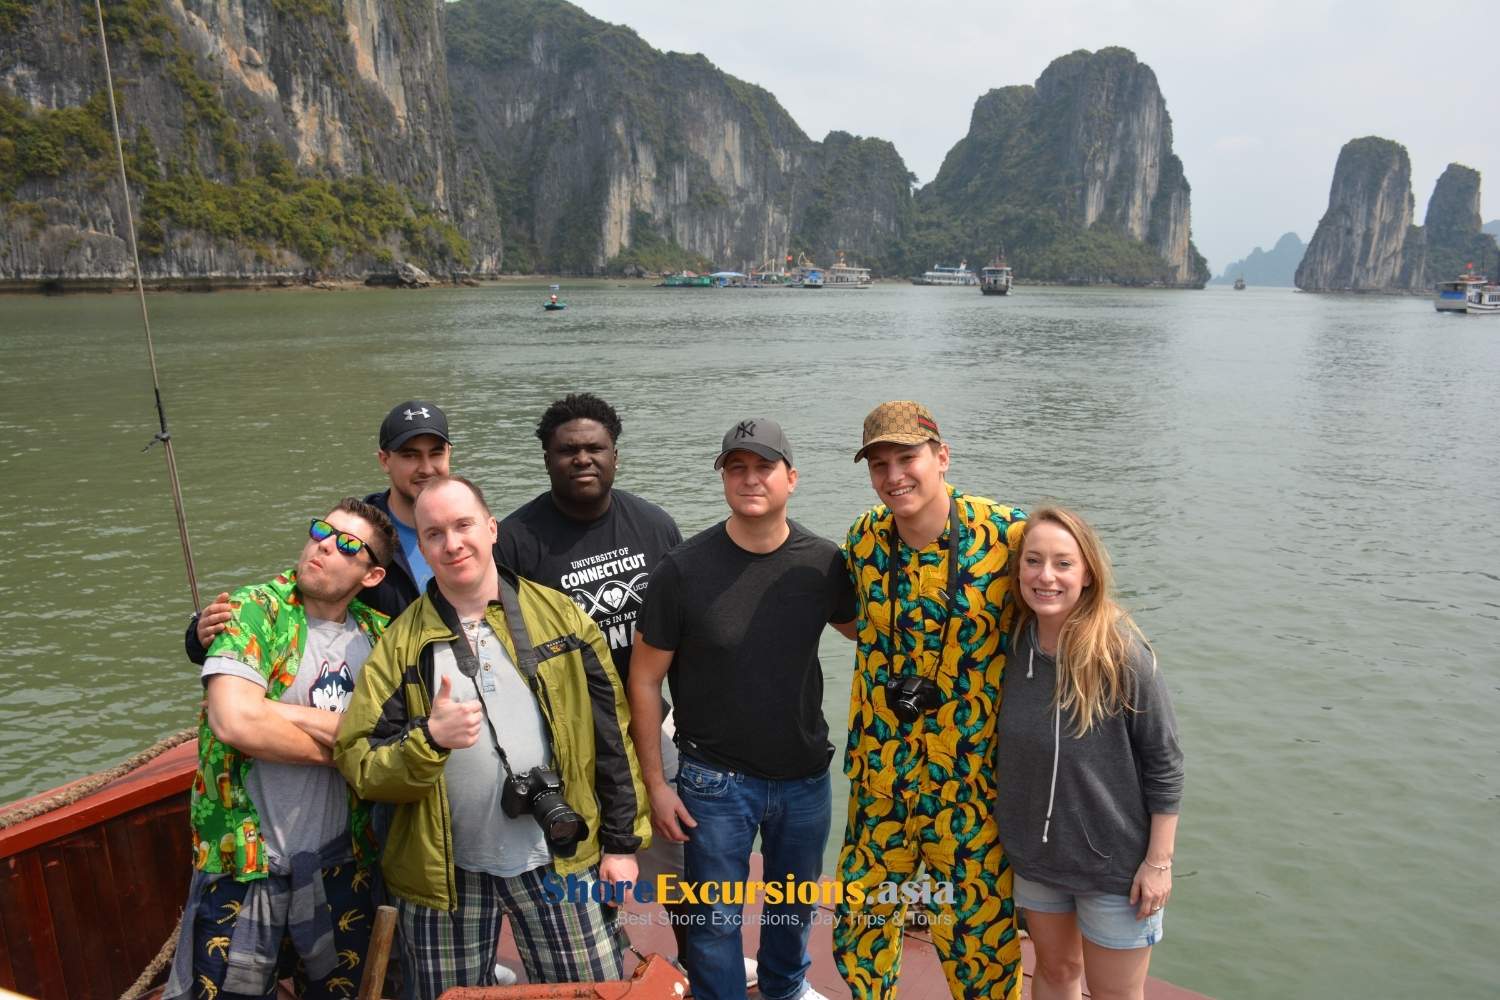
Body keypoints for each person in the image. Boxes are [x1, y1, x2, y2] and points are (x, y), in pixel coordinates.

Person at [335, 475, 650, 999]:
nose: (453, 543)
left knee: (592, 992)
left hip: (559, 853)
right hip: (443, 876)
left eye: (464, 525)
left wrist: (621, 845)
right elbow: (360, 762)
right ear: (422, 549)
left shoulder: (562, 618)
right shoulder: (399, 646)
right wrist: (430, 739)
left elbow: (611, 736)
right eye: (434, 534)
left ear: (492, 528)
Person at [498, 392, 725, 977]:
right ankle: (602, 962)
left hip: (649, 720)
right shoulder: (516, 541)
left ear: (615, 456)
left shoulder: (653, 525)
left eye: (595, 448)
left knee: (680, 849)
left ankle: (698, 962)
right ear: (547, 459)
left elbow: (686, 634)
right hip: (563, 734)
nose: (582, 459)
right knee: (583, 855)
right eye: (567, 450)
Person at [628, 418, 854, 1000]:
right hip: (713, 779)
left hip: (805, 774)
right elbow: (645, 680)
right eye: (737, 468)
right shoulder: (682, 570)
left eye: (764, 467)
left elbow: (872, 634)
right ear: (724, 479)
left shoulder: (823, 563)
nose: (750, 479)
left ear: (791, 478)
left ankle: (785, 987)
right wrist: (657, 784)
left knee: (794, 905)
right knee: (713, 920)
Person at [163, 498, 397, 1000]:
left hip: (343, 863)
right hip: (244, 863)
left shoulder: (380, 638)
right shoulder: (254, 610)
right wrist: (346, 747)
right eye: (322, 531)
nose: (325, 546)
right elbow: (235, 721)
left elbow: (389, 738)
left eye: (347, 545)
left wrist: (276, 709)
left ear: (372, 575)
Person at [832, 400, 1028, 1000]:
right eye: (879, 464)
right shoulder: (863, 538)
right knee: (860, 927)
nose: (894, 476)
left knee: (978, 944)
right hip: (882, 771)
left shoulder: (1008, 535)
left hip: (971, 781)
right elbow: (852, 620)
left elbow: (1067, 617)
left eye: (907, 458)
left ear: (941, 457)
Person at [994, 508, 1182, 1000]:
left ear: (1088, 574)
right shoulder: (1011, 646)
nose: (1046, 576)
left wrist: (1158, 863)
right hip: (1038, 858)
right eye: (1033, 561)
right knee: (1055, 972)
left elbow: (1164, 764)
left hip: (1114, 866)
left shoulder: (1123, 655)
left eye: (1063, 563)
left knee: (1114, 993)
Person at [186, 400, 453, 659]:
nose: (426, 468)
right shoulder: (360, 535)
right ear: (384, 460)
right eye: (410, 455)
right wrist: (201, 635)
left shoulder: (469, 523)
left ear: (449, 453)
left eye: (436, 453)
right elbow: (300, 590)